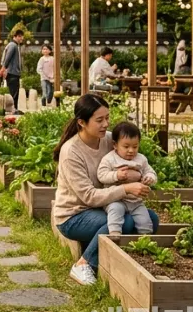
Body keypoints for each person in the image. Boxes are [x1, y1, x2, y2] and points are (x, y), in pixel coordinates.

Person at [52, 94, 159, 284]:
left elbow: (135, 159)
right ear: (82, 122)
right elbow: (89, 197)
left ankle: (122, 261)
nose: (106, 124)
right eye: (99, 120)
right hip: (74, 215)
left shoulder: (110, 140)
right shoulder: (71, 152)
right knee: (124, 222)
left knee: (151, 219)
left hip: (105, 207)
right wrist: (126, 188)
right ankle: (84, 264)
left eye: (108, 118)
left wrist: (141, 176)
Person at [97, 122, 158, 240]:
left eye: (135, 147)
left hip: (136, 201)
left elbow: (150, 172)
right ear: (115, 145)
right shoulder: (110, 159)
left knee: (145, 221)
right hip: (115, 199)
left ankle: (145, 238)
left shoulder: (141, 159)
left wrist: (149, 177)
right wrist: (116, 175)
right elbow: (101, 175)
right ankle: (114, 234)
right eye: (126, 147)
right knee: (115, 211)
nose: (131, 150)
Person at [0, 28, 24, 115]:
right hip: (12, 72)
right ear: (15, 37)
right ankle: (13, 109)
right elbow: (7, 58)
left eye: (22, 37)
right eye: (19, 36)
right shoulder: (13, 45)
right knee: (14, 92)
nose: (21, 38)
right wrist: (3, 69)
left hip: (13, 72)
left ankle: (15, 108)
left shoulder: (14, 45)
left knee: (14, 92)